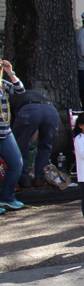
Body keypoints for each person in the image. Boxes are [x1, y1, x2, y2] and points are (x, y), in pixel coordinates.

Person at [9, 81, 57, 189]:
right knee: (45, 145)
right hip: (51, 110)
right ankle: (39, 178)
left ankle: (23, 180)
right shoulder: (26, 94)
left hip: (29, 110)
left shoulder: (7, 99)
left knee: (20, 147)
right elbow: (34, 128)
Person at [0, 59, 25, 213]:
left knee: (16, 163)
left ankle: (7, 198)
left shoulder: (2, 83)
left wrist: (11, 73)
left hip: (5, 132)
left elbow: (20, 91)